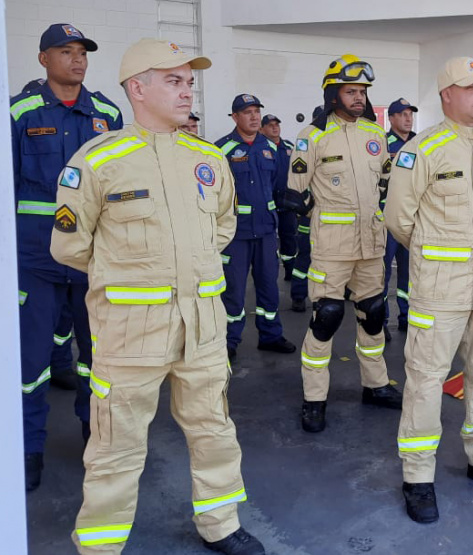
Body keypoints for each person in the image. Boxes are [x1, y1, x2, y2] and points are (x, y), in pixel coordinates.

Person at [50, 38, 266, 555]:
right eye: (174, 80)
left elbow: (222, 226)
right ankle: (100, 545)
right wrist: (136, 281)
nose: (187, 90)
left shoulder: (207, 158)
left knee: (214, 428)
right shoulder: (99, 162)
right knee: (114, 446)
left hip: (203, 328)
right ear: (137, 88)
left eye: (189, 81)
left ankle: (221, 523)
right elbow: (70, 247)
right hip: (130, 333)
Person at [386, 56, 473, 524]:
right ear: (446, 94)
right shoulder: (422, 150)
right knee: (427, 381)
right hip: (439, 288)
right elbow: (399, 220)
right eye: (469, 87)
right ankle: (418, 476)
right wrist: (437, 254)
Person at [10, 23, 122, 491]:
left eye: (82, 53)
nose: (77, 60)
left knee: (98, 361)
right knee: (30, 363)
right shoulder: (19, 112)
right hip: (34, 260)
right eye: (65, 51)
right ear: (43, 59)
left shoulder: (108, 114)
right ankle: (27, 447)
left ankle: (94, 437)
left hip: (92, 261)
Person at [287, 54, 402, 433]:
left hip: (372, 246)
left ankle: (376, 385)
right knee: (326, 320)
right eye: (351, 91)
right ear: (334, 94)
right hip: (332, 248)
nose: (358, 98)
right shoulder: (313, 137)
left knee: (373, 316)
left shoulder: (375, 136)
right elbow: (296, 195)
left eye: (362, 92)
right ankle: (314, 398)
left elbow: (385, 184)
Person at [215, 95, 297, 362]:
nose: (253, 117)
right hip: (235, 234)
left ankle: (270, 335)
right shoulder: (222, 149)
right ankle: (229, 340)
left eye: (256, 112)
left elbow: (277, 185)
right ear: (235, 117)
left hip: (265, 232)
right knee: (233, 291)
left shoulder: (271, 148)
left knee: (268, 287)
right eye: (247, 112)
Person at [382, 98, 417, 339]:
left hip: (412, 217)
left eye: (410, 114)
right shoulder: (381, 144)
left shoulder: (420, 143)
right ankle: (381, 320)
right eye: (402, 114)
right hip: (386, 219)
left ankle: (406, 317)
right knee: (381, 273)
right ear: (391, 118)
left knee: (410, 273)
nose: (407, 118)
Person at [288, 105, 324, 313]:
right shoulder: (304, 145)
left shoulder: (334, 144)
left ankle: (327, 296)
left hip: (332, 217)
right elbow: (297, 182)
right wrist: (308, 208)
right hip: (309, 215)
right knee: (305, 258)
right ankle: (299, 296)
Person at [261, 113, 299, 281]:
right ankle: (268, 275)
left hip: (287, 201)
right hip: (267, 202)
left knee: (289, 238)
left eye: (277, 124)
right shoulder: (260, 147)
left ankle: (290, 271)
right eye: (270, 125)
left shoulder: (289, 146)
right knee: (268, 241)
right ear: (262, 129)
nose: (275, 127)